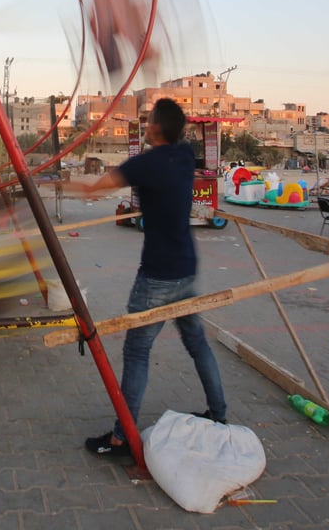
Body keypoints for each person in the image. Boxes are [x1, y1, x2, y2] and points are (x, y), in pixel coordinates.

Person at [77, 98, 228, 459]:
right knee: (197, 344)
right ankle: (219, 415)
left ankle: (121, 437)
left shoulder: (145, 164)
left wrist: (59, 184)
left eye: (149, 123)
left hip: (157, 277)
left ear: (156, 129)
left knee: (138, 352)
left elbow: (95, 188)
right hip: (187, 270)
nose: (145, 127)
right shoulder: (185, 156)